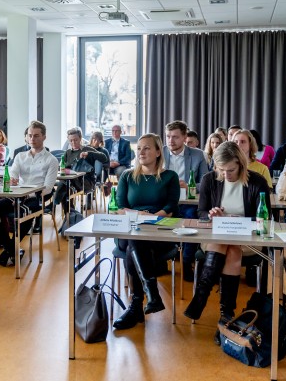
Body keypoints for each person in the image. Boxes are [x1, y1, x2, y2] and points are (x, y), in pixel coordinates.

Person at [183, 142, 271, 343]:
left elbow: (265, 218)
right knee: (227, 245)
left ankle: (201, 297)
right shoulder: (209, 180)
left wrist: (239, 221)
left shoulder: (257, 181)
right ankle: (227, 315)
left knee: (231, 246)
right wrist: (213, 215)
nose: (225, 174)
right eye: (221, 170)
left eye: (230, 170)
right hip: (217, 237)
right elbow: (201, 213)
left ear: (241, 164)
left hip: (249, 239)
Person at [112, 133, 180, 330]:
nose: (141, 152)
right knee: (135, 239)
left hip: (159, 230)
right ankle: (151, 295)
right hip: (131, 228)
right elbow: (120, 206)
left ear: (158, 151)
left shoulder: (169, 177)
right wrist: (137, 216)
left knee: (136, 242)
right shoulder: (127, 176)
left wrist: (151, 218)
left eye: (147, 148)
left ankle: (136, 306)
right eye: (139, 148)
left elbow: (170, 206)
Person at [0, 121, 58, 266]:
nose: (32, 139)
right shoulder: (20, 156)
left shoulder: (51, 160)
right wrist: (12, 180)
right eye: (30, 135)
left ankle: (9, 251)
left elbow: (48, 188)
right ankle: (12, 249)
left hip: (37, 196)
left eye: (36, 136)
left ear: (44, 137)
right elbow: (13, 175)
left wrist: (30, 193)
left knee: (25, 213)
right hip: (18, 194)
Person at [162, 120, 209, 281]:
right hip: (164, 200)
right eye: (168, 136)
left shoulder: (197, 155)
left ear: (184, 137)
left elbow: (205, 182)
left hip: (188, 201)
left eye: (175, 137)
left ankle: (187, 261)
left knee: (191, 220)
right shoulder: (159, 153)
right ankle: (160, 258)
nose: (170, 141)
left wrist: (188, 186)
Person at [53, 127, 108, 215]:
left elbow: (104, 158)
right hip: (71, 182)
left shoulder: (87, 149)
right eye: (71, 141)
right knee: (66, 187)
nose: (73, 143)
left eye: (76, 140)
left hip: (86, 182)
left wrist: (89, 154)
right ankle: (71, 214)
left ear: (80, 138)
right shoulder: (68, 152)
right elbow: (65, 168)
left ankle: (57, 203)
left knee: (64, 185)